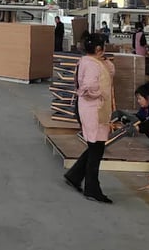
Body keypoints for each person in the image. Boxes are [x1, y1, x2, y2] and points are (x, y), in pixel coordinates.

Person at [63, 33, 114, 204]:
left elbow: (111, 71)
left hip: (93, 109)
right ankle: (92, 188)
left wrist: (105, 60)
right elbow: (88, 86)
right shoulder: (92, 65)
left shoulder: (89, 61)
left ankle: (74, 176)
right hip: (94, 110)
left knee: (95, 147)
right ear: (99, 49)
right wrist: (98, 94)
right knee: (96, 149)